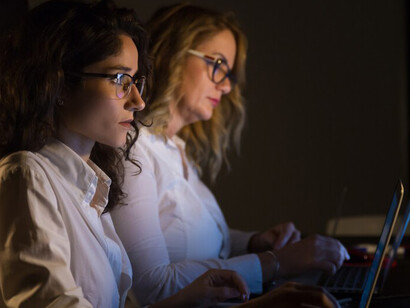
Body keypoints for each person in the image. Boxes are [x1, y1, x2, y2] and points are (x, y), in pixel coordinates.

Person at [0, 0, 253, 307]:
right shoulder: (27, 176)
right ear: (62, 85)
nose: (138, 100)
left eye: (136, 81)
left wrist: (183, 301)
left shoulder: (92, 189)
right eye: (120, 80)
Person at [110, 2, 350, 306]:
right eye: (218, 65)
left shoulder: (174, 149)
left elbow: (193, 239)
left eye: (229, 74)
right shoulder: (132, 150)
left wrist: (251, 242)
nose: (225, 87)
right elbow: (150, 286)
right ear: (174, 52)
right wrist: (275, 262)